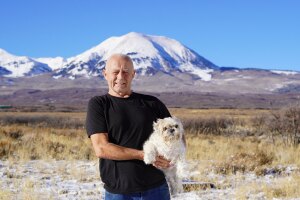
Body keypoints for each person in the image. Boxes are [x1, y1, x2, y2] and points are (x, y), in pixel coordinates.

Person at [86, 54, 172, 200]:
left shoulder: (152, 103)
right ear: (105, 74)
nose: (121, 76)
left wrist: (171, 155)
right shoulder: (99, 105)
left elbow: (177, 133)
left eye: (126, 72)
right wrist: (143, 155)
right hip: (119, 192)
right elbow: (101, 148)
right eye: (115, 72)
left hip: (156, 189)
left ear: (133, 74)